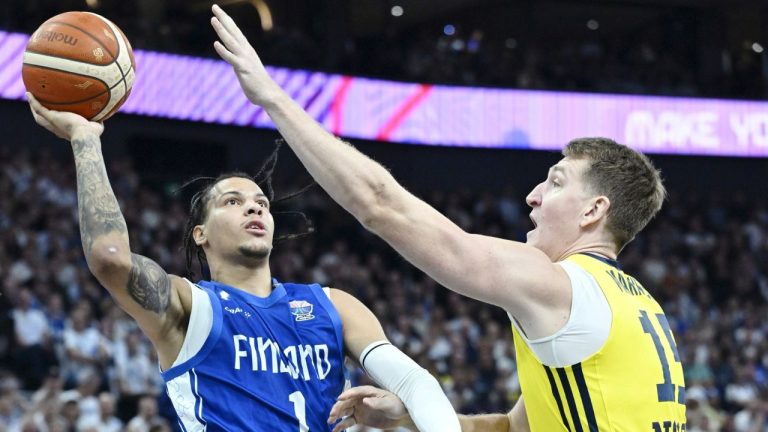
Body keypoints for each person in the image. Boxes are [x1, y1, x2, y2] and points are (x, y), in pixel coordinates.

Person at [209, 4, 686, 431]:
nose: (534, 195)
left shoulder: (560, 284)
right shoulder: (641, 306)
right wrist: (411, 416)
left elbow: (381, 205)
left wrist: (275, 99)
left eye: (556, 182)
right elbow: (510, 428)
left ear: (593, 211)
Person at [27, 91, 460, 431]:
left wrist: (402, 412)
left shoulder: (334, 305)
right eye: (233, 202)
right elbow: (109, 258)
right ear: (201, 234)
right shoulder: (189, 307)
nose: (255, 209)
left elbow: (416, 384)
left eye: (261, 204)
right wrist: (85, 140)